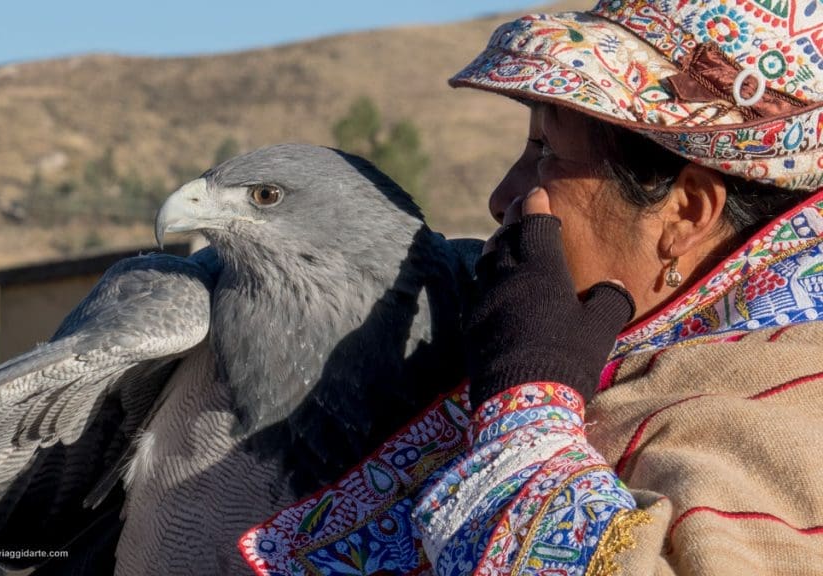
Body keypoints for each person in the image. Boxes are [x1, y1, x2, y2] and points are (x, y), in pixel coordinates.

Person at [241, 1, 823, 574]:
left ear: (685, 212)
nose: (502, 198)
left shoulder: (787, 422)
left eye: (546, 152)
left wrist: (528, 400)